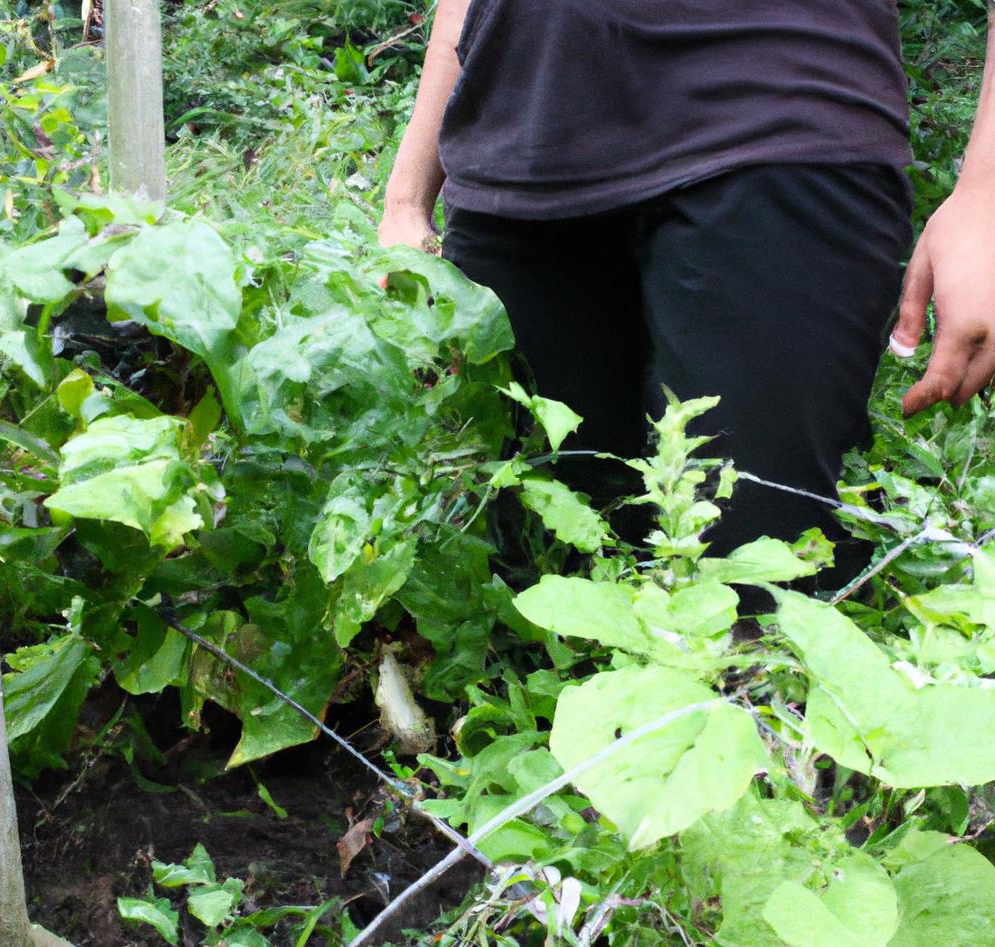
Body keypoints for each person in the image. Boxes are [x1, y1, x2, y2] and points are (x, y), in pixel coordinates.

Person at [379, 1, 995, 574]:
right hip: (515, 165)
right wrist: (405, 203)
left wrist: (985, 197)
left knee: (755, 597)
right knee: (528, 589)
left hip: (779, 129)